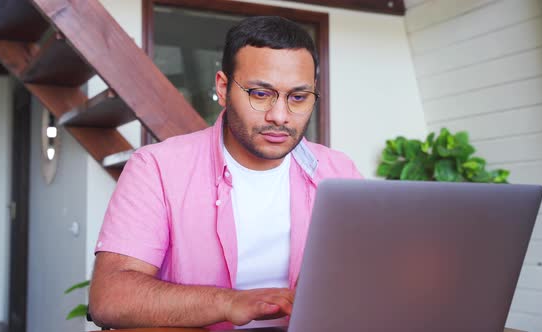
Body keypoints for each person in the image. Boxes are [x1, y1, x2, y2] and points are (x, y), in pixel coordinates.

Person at [89, 16, 362, 330]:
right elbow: (110, 297)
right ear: (223, 87)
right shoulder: (157, 168)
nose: (280, 116)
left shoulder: (338, 170)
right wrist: (231, 302)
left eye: (298, 98)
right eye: (260, 94)